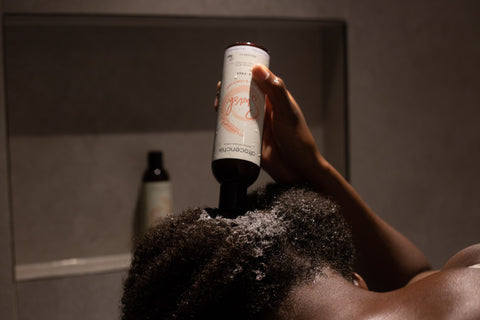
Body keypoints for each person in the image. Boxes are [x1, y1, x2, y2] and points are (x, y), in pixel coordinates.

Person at [122, 65, 480, 319]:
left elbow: (413, 278)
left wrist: (311, 169)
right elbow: (417, 280)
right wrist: (313, 168)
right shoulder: (470, 278)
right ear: (357, 279)